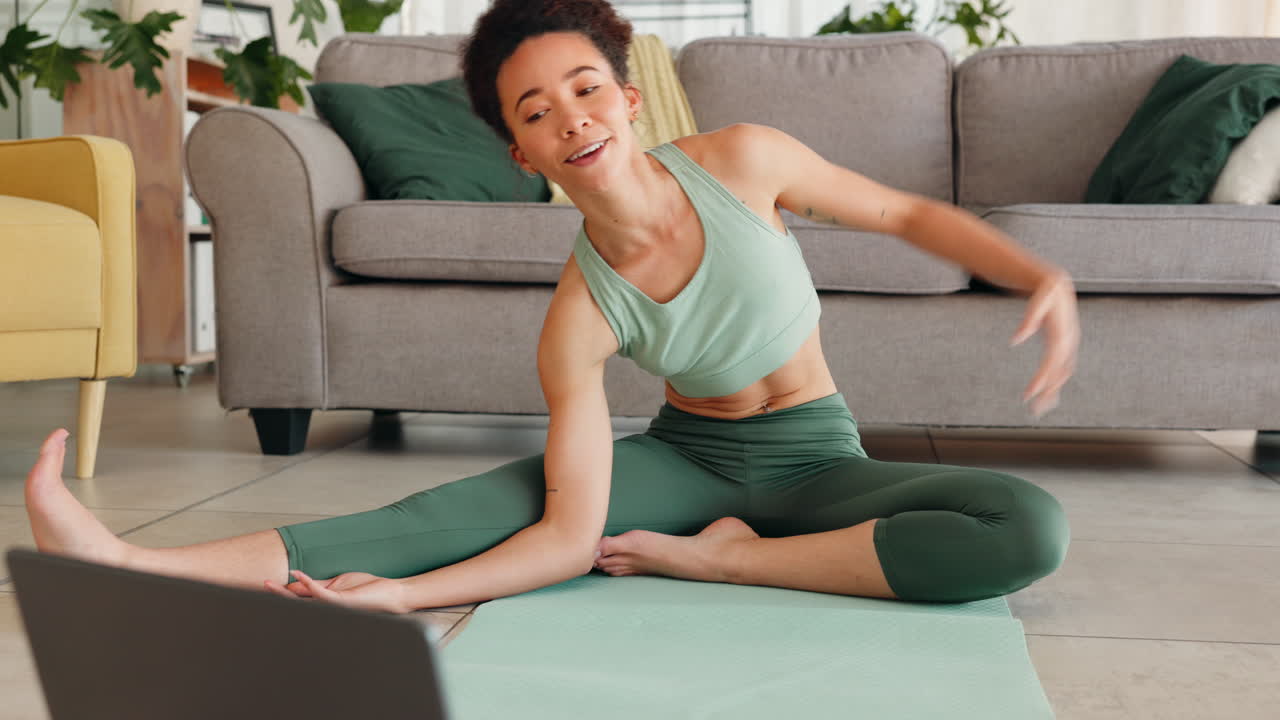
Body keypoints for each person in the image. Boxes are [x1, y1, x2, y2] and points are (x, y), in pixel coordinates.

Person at [21, 0, 1080, 615]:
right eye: (535, 112)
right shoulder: (579, 313)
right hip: (686, 462)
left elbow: (898, 211)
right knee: (440, 519)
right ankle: (131, 564)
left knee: (1023, 526)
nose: (568, 118)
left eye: (583, 88)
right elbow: (571, 536)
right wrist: (403, 595)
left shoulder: (744, 160)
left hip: (820, 459)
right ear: (521, 152)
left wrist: (1031, 272)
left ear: (625, 98)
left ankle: (729, 558)